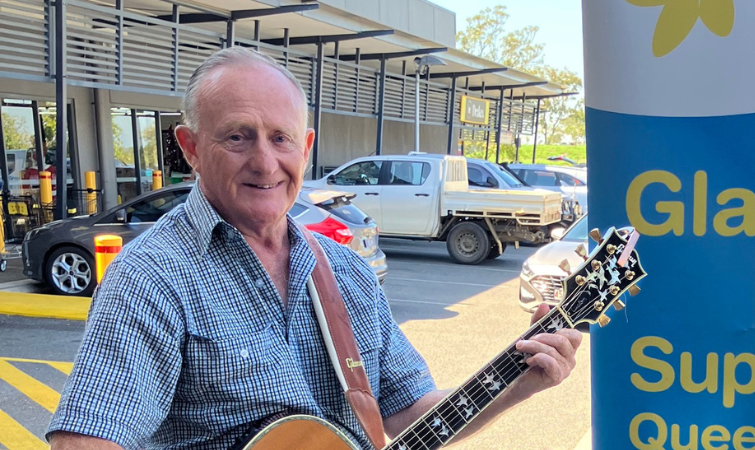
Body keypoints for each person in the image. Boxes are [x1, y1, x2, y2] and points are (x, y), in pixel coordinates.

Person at [46, 47, 582, 450]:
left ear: (304, 148)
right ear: (191, 148)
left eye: (281, 138)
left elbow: (411, 413)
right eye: (237, 136)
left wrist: (517, 385)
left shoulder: (346, 272)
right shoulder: (152, 276)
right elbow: (85, 440)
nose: (264, 161)